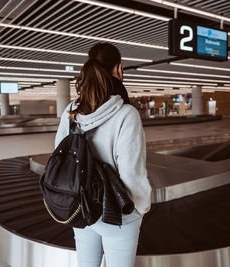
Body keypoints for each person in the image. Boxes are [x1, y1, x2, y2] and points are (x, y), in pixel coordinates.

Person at [55, 43, 152, 267]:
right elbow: (131, 171)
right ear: (118, 69)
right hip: (116, 214)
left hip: (80, 206)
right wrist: (141, 208)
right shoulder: (126, 114)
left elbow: (59, 155)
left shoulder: (71, 111)